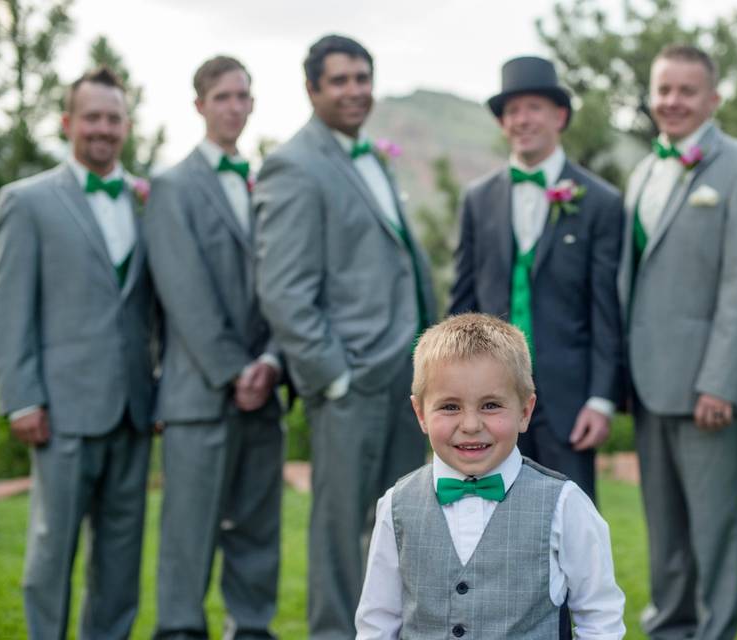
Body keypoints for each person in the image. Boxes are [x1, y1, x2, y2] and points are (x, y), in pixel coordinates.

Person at [253, 34, 435, 639]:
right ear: (312, 88)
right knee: (339, 532)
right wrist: (331, 375)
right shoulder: (293, 164)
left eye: (363, 77)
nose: (355, 90)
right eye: (340, 80)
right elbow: (282, 287)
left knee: (404, 524)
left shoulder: (371, 157)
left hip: (405, 378)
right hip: (349, 382)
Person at [617, 44, 737, 639]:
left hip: (709, 388)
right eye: (663, 89)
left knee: (716, 530)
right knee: (665, 530)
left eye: (687, 91)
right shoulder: (643, 171)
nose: (672, 102)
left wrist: (722, 381)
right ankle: (669, 630)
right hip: (648, 383)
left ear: (713, 98)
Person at [0, 67, 156, 639]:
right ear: (68, 122)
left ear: (126, 125)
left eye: (113, 118)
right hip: (60, 412)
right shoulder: (26, 202)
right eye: (92, 117)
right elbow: (11, 308)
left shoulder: (146, 200)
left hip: (134, 411)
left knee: (120, 560)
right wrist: (21, 400)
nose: (103, 129)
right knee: (50, 553)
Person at [354, 312, 625, 639]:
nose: (470, 425)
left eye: (491, 405)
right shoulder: (396, 506)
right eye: (450, 407)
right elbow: (377, 624)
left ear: (525, 412)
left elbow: (601, 620)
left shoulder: (565, 505)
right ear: (421, 414)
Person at [144, 55, 284, 640]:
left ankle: (250, 628)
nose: (234, 106)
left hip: (265, 387)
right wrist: (235, 371)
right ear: (199, 104)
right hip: (200, 391)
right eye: (222, 96)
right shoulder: (172, 186)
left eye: (243, 96)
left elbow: (285, 282)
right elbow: (184, 293)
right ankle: (180, 628)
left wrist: (274, 361)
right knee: (189, 527)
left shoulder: (268, 182)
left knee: (256, 526)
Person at [449, 55, 624, 500]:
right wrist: (452, 392)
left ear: (559, 116)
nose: (521, 120)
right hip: (487, 401)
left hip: (569, 400)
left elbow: (607, 307)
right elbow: (461, 301)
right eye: (511, 111)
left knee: (570, 528)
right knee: (486, 525)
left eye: (533, 108)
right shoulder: (478, 199)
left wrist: (601, 399)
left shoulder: (600, 202)